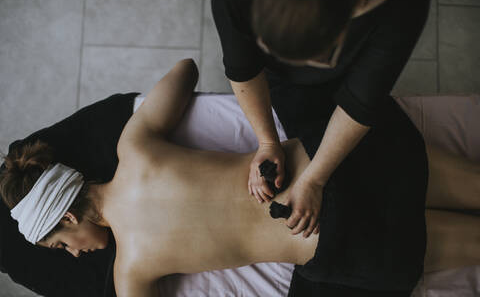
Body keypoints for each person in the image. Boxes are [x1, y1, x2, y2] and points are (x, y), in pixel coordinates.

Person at [1, 60, 479, 297]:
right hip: (329, 159)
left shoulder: (131, 272)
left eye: (62, 245)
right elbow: (185, 71)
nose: (75, 254)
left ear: (66, 214)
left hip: (337, 239)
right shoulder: (135, 147)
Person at [211, 0, 430, 243]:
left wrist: (314, 180)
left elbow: (361, 101)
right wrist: (267, 141)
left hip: (349, 76)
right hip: (288, 83)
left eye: (318, 58)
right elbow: (243, 68)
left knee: (389, 164)